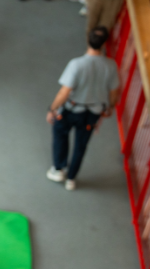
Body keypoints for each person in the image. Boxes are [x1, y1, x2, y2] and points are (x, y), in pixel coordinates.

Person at [46, 26, 119, 190]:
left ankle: (59, 169)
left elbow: (64, 92)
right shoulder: (111, 65)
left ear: (88, 39)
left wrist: (52, 109)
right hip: (93, 113)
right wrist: (110, 107)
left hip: (72, 110)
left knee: (60, 134)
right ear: (104, 43)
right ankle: (71, 178)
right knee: (81, 144)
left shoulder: (77, 64)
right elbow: (114, 92)